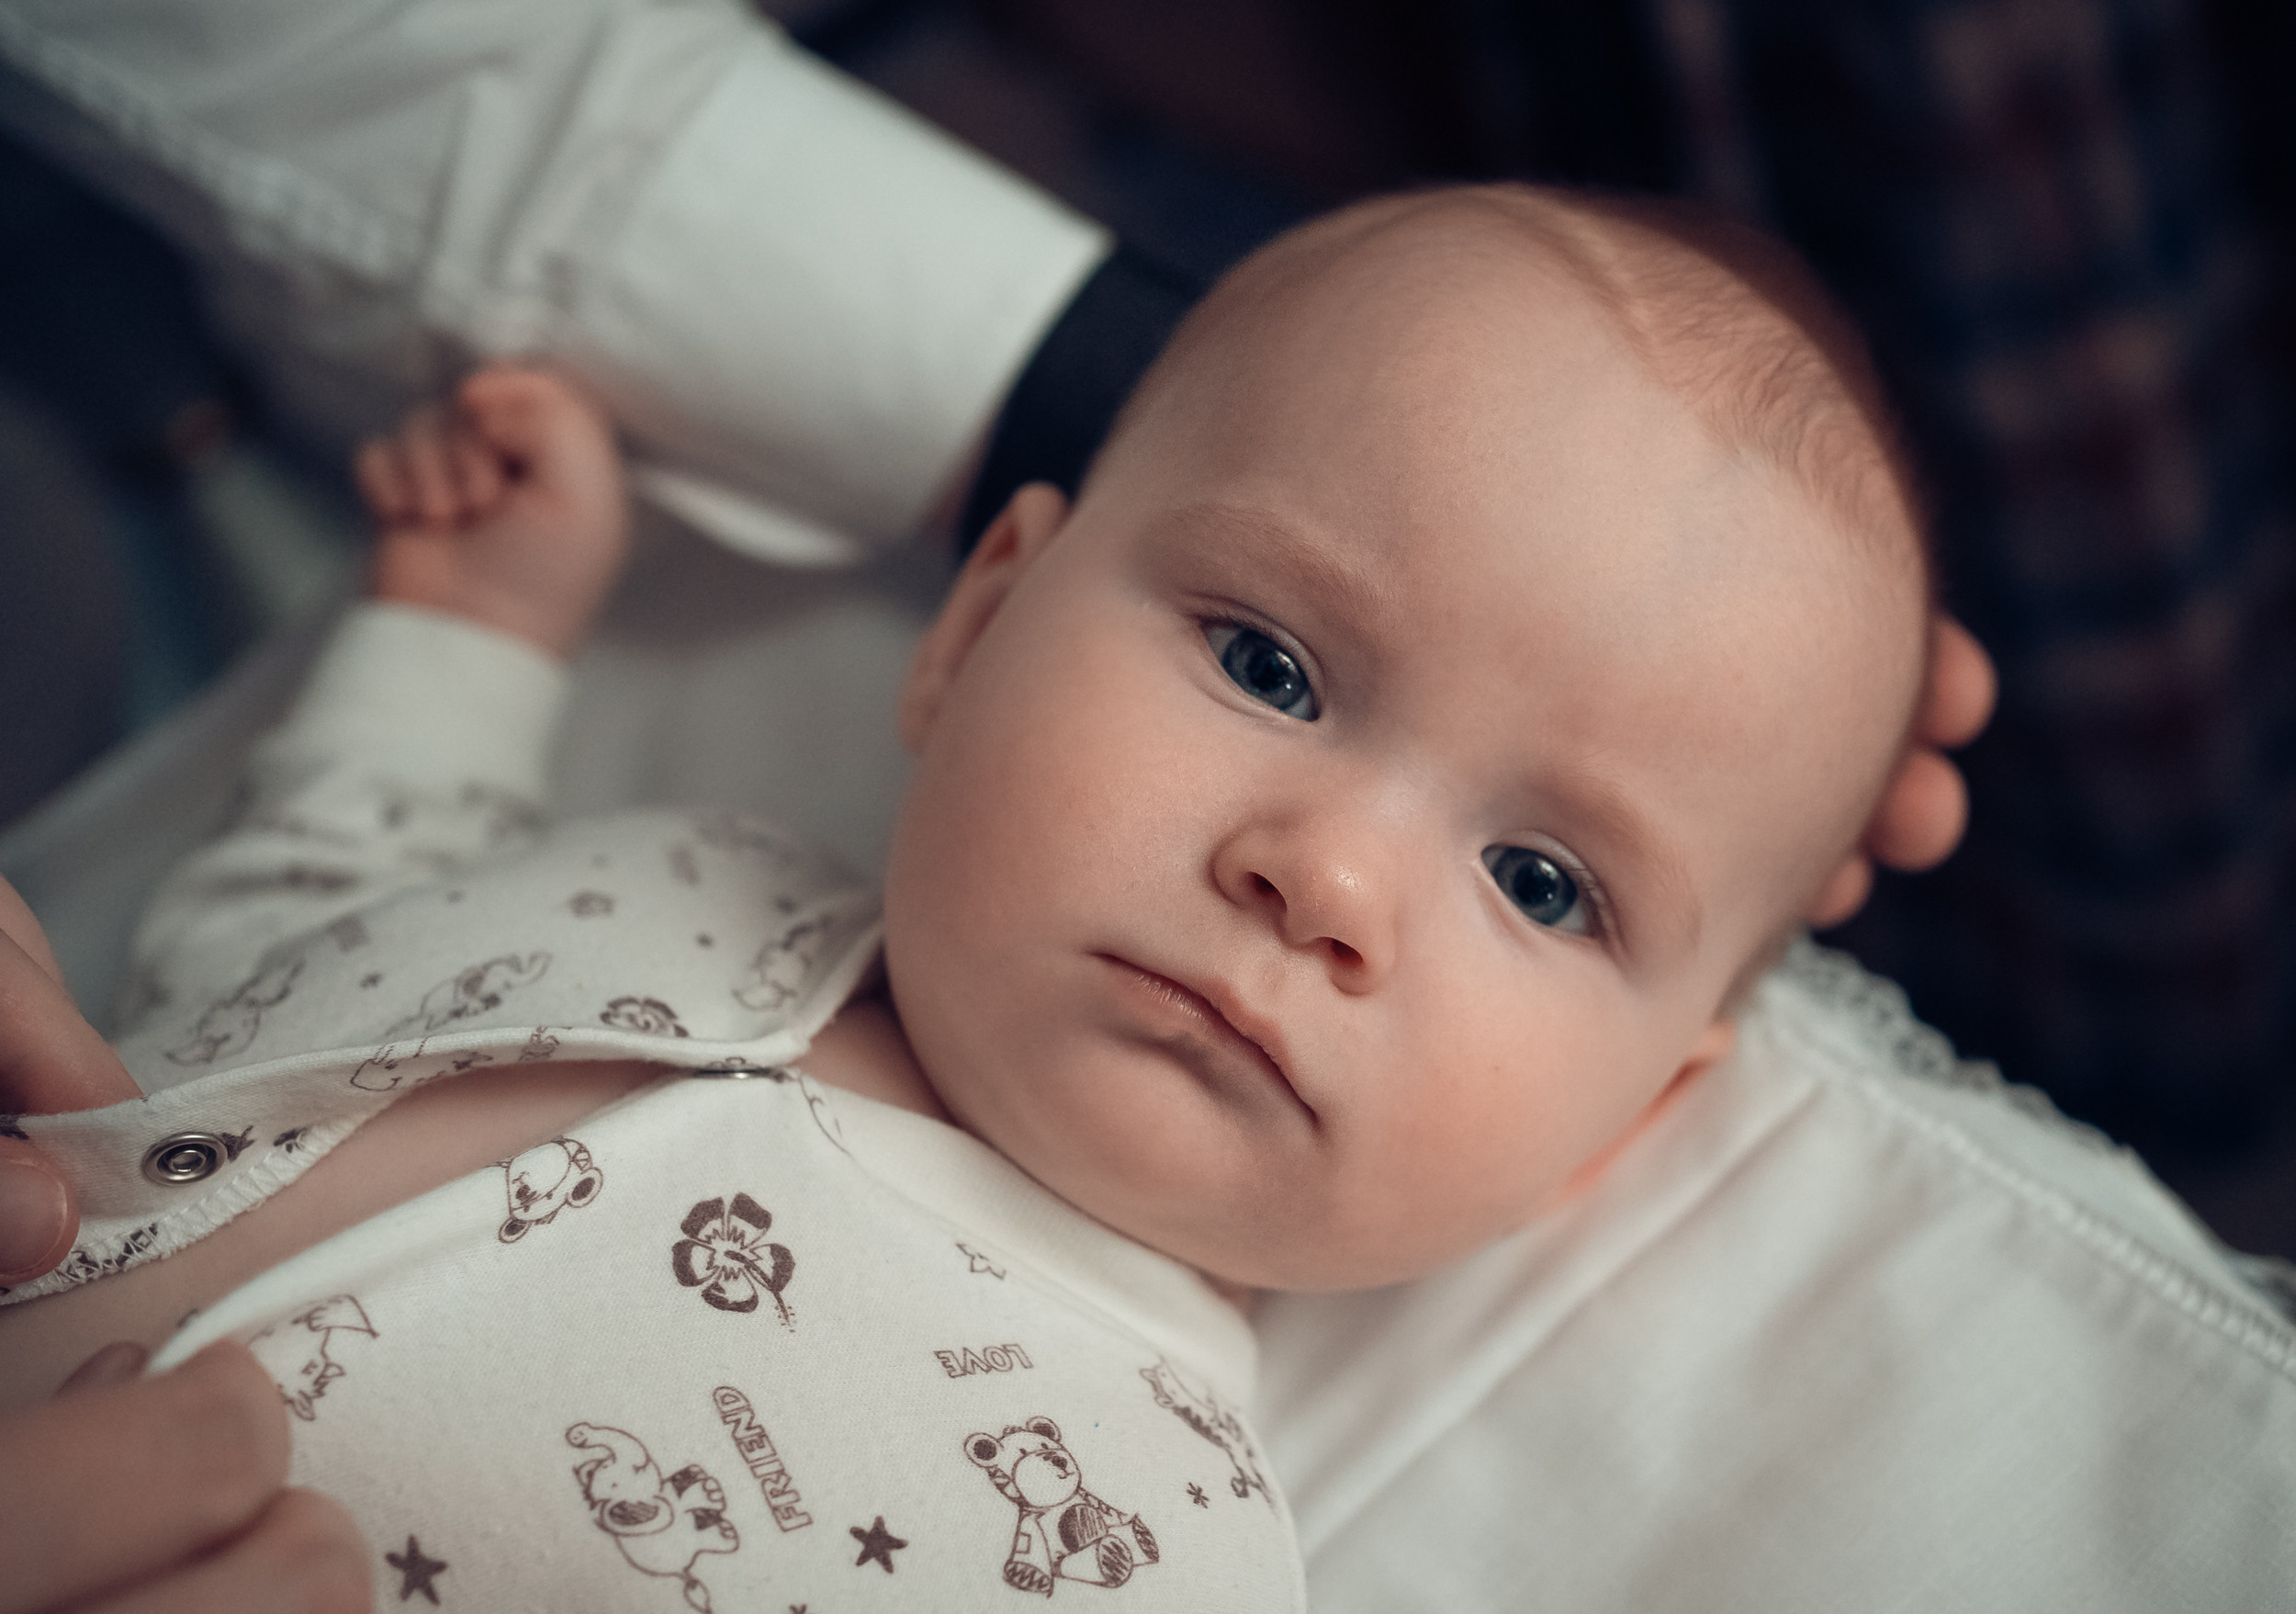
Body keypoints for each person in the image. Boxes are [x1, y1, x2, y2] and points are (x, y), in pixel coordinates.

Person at [0, 183, 1960, 1607]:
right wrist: (468, 634)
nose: (1327, 876)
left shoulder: (1142, 1546)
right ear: (978, 621)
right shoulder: (683, 856)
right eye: (1266, 667)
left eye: (1541, 881)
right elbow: (287, 940)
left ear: (1632, 1118)